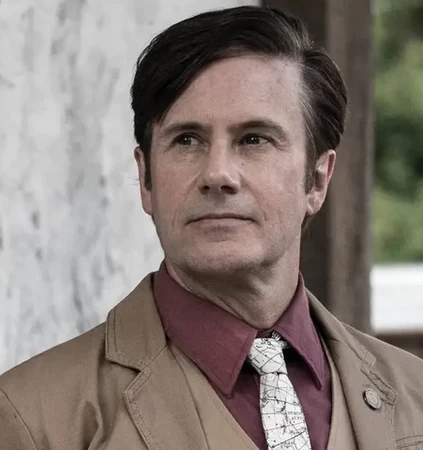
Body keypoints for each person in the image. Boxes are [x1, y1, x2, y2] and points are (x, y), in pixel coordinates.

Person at [1, 5, 422, 450]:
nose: (217, 173)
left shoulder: (415, 395)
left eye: (254, 139)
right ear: (145, 178)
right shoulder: (32, 419)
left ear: (316, 180)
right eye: (187, 140)